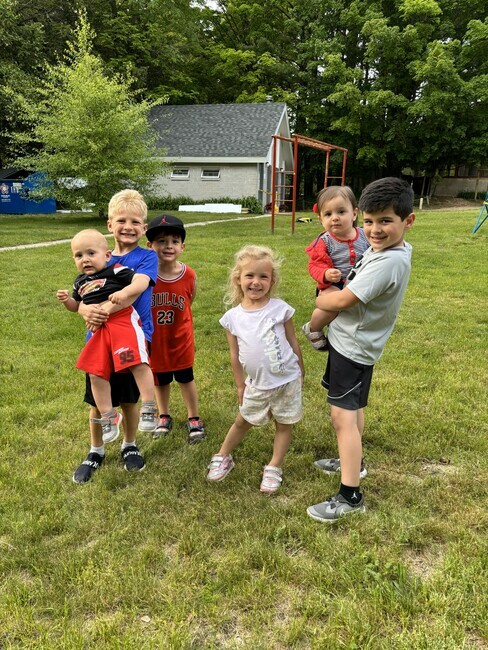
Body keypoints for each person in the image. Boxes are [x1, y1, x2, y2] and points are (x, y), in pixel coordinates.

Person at [306, 177, 415, 522]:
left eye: (385, 221)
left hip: (354, 347)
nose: (374, 229)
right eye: (368, 221)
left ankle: (350, 496)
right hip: (349, 340)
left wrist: (319, 306)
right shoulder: (385, 250)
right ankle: (353, 461)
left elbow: (345, 298)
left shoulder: (388, 262)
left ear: (408, 221)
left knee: (342, 417)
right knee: (352, 409)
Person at [69, 189, 158, 484]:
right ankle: (95, 450)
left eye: (135, 222)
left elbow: (137, 288)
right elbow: (81, 296)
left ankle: (129, 445)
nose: (128, 227)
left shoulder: (146, 257)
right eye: (121, 220)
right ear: (110, 225)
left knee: (129, 399)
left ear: (143, 228)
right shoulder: (95, 256)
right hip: (96, 340)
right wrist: (83, 311)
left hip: (133, 336)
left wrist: (102, 308)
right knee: (97, 399)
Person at [207, 245, 304, 494]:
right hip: (257, 383)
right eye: (250, 275)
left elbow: (293, 341)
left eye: (264, 276)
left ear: (272, 281)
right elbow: (234, 354)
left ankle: (274, 466)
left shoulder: (281, 309)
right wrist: (240, 384)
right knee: (243, 420)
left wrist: (300, 368)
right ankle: (223, 455)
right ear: (238, 279)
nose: (256, 282)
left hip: (287, 379)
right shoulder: (232, 317)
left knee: (284, 424)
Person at [57, 228, 158, 443]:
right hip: (98, 331)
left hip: (122, 323)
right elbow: (77, 306)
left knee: (136, 363)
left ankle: (149, 407)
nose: (85, 259)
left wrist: (123, 293)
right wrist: (67, 301)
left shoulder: (116, 270)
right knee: (95, 373)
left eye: (91, 253)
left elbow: (139, 283)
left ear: (107, 256)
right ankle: (109, 416)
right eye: (79, 255)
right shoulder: (79, 282)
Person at [146, 214, 205, 443]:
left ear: (182, 246)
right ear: (150, 245)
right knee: (159, 380)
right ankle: (164, 415)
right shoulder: (145, 276)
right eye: (161, 241)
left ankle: (194, 417)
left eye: (173, 241)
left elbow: (190, 300)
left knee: (185, 378)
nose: (168, 246)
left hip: (180, 339)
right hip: (155, 340)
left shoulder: (188, 274)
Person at [301, 186, 369, 350]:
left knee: (358, 311)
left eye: (341, 212)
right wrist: (325, 274)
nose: (335, 218)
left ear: (354, 214)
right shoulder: (324, 241)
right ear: (320, 219)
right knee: (332, 308)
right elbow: (314, 265)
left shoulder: (365, 235)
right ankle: (313, 328)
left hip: (357, 282)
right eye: (328, 214)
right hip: (334, 285)